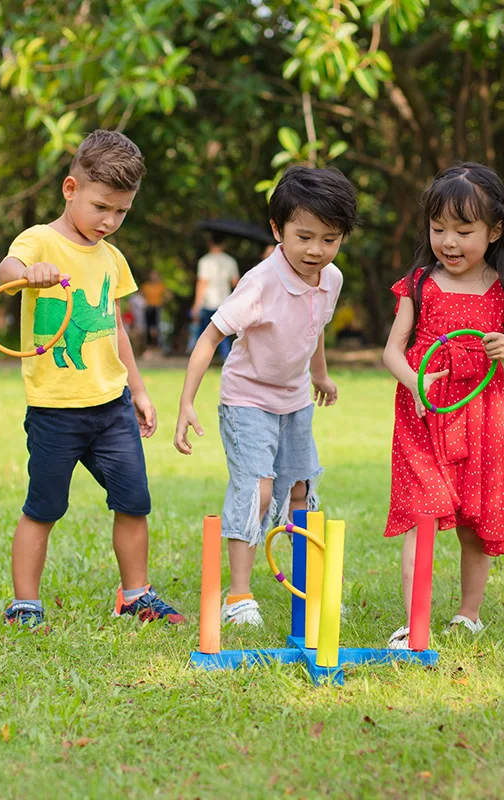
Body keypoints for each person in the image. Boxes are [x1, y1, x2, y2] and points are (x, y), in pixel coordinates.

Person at [0, 130, 184, 628]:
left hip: (111, 406)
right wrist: (28, 272)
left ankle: (135, 595)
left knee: (134, 502)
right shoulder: (40, 240)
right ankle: (25, 603)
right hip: (55, 409)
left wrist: (138, 390)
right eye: (101, 207)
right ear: (70, 188)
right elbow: (6, 269)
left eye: (121, 212)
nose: (109, 221)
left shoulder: (111, 258)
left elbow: (114, 327)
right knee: (43, 507)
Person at [174, 166, 358, 626]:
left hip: (294, 400)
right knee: (257, 491)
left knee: (300, 489)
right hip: (247, 400)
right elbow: (209, 338)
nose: (316, 250)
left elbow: (315, 326)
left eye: (330, 239)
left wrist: (320, 375)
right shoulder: (259, 283)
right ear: (278, 230)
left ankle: (308, 585)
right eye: (304, 237)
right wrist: (186, 403)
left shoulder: (331, 278)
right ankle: (239, 597)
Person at [382, 163, 504, 646]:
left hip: (481, 418)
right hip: (423, 414)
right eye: (438, 229)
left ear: (494, 231)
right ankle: (414, 622)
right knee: (422, 515)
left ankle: (468, 614)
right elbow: (391, 352)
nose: (448, 242)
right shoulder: (418, 283)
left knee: (475, 523)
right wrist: (415, 384)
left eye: (463, 231)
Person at [191, 233, 240, 362]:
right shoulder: (230, 261)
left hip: (208, 302)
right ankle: (227, 360)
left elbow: (202, 283)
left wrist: (197, 305)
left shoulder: (205, 261)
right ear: (224, 245)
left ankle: (198, 360)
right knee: (223, 334)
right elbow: (235, 282)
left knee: (205, 336)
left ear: (210, 243)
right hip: (224, 302)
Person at [139, 270, 169, 352]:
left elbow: (168, 295)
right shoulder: (146, 286)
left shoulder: (160, 286)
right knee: (147, 328)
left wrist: (162, 302)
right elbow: (140, 295)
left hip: (157, 308)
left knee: (156, 328)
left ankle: (157, 346)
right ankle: (148, 347)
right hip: (148, 308)